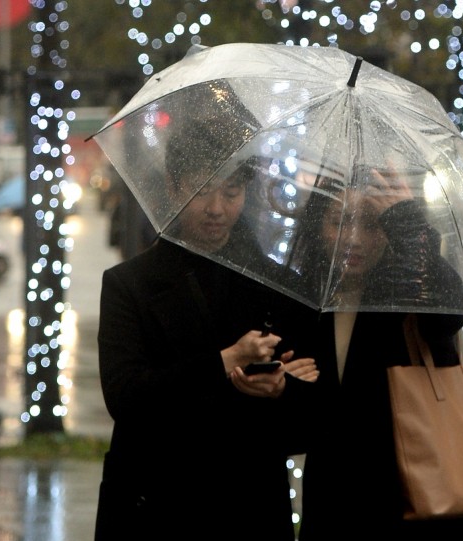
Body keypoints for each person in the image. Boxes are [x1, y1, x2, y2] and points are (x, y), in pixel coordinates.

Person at [93, 111, 319, 540]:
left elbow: (313, 412)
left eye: (231, 192)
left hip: (247, 506)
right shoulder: (130, 285)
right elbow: (125, 397)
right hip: (154, 505)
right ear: (175, 188)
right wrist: (224, 362)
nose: (217, 209)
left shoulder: (275, 286)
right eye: (201, 192)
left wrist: (283, 390)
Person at [296, 169, 463, 541]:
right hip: (338, 499)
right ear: (318, 224)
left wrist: (405, 220)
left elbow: (451, 309)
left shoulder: (409, 286)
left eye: (371, 224)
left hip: (418, 491)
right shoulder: (308, 294)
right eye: (339, 222)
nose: (354, 240)